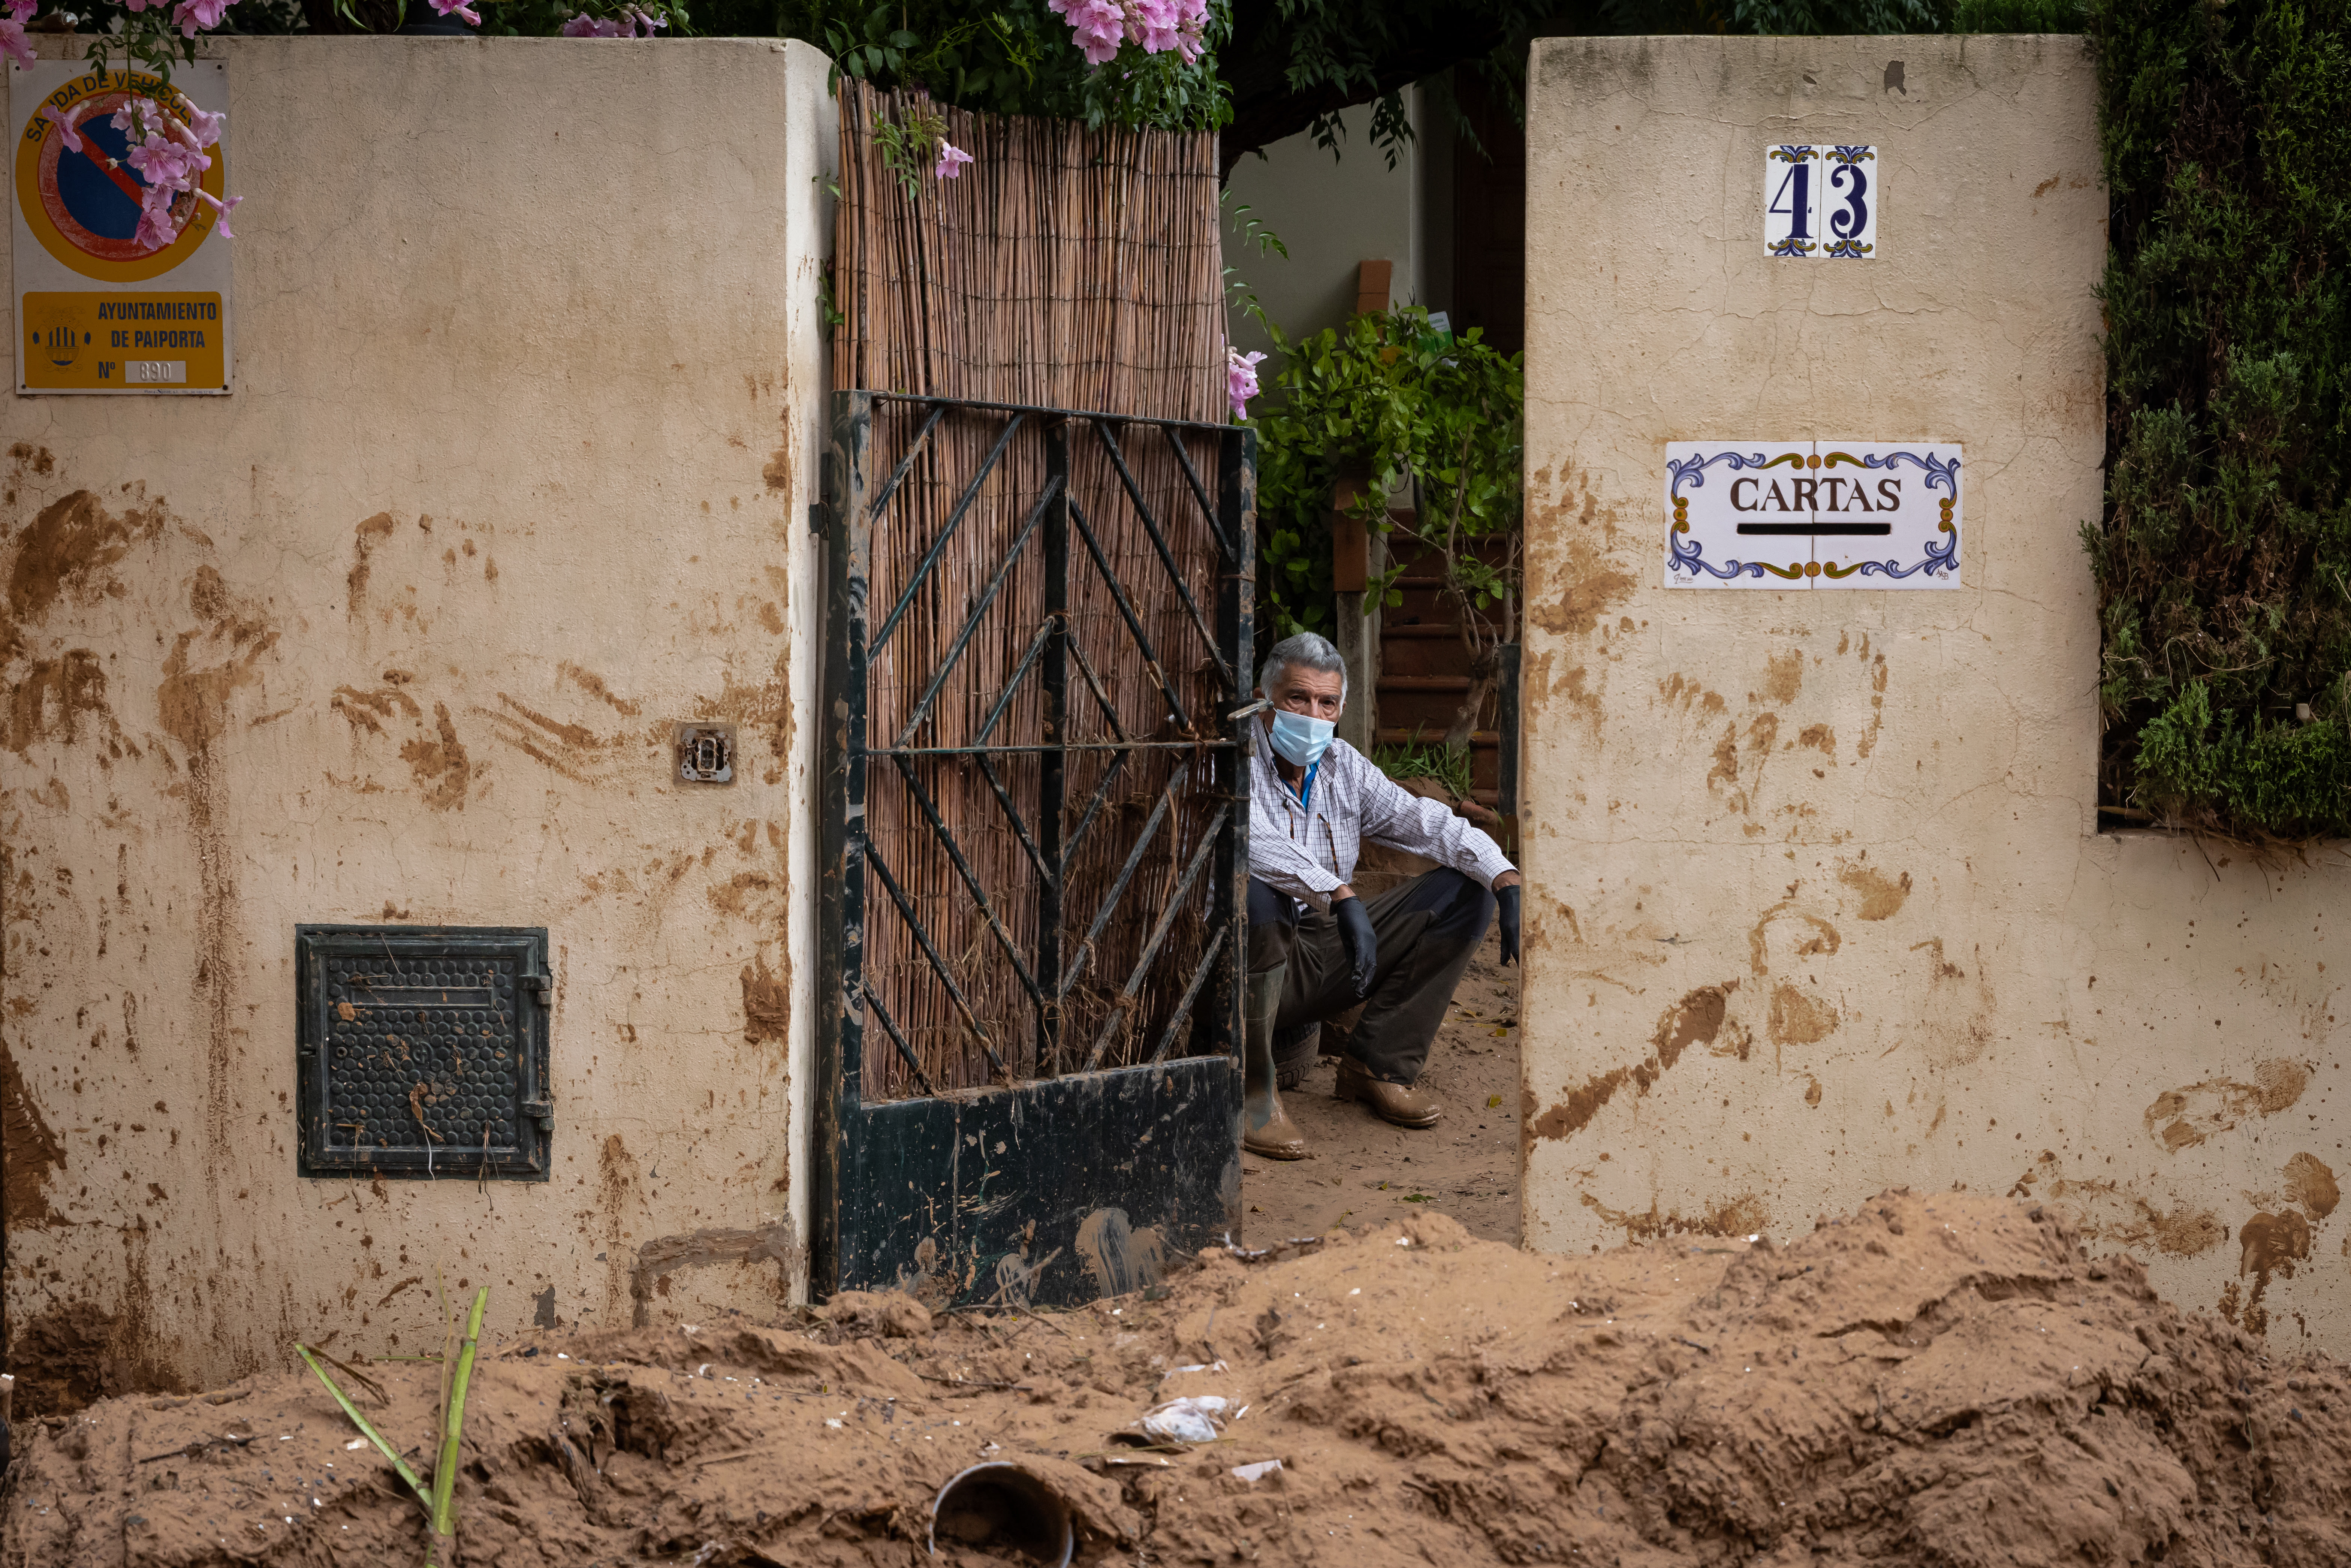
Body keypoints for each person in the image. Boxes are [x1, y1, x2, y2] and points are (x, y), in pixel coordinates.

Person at [1242, 631, 1522, 1160]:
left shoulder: (1341, 765)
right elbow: (1249, 839)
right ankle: (1253, 1094)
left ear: (1341, 708)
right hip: (1239, 961)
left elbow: (1423, 820)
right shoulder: (1232, 759)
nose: (1312, 714)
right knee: (1259, 893)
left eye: (1327, 703)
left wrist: (1503, 874)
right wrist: (1340, 894)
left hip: (1318, 948)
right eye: (1296, 698)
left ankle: (1378, 1064)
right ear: (1265, 698)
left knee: (1466, 887)